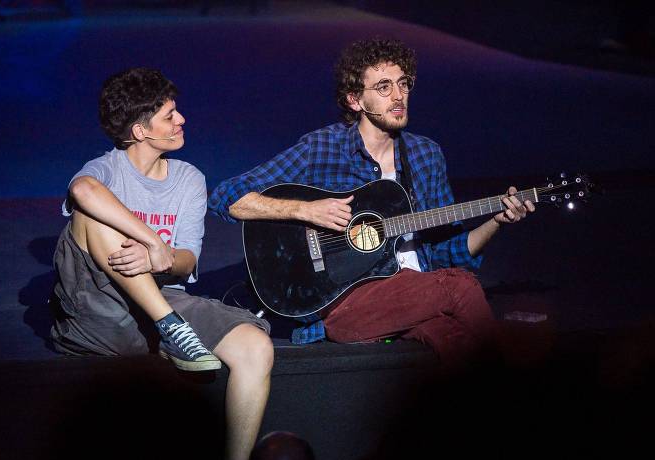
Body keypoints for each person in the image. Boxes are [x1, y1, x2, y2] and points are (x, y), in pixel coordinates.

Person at [208, 38, 534, 368]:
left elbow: (447, 251)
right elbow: (227, 197)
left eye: (403, 84)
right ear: (355, 100)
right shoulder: (323, 148)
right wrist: (304, 209)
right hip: (344, 302)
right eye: (383, 87)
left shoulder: (425, 155)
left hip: (412, 294)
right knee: (459, 285)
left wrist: (497, 221)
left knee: (453, 338)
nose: (398, 96)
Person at [49, 67, 273, 460]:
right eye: (169, 115)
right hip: (101, 305)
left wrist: (160, 257)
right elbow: (82, 192)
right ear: (139, 130)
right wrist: (151, 239)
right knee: (94, 214)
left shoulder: (189, 179)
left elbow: (187, 260)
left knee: (256, 347)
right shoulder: (107, 169)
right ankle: (171, 329)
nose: (181, 120)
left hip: (163, 294)